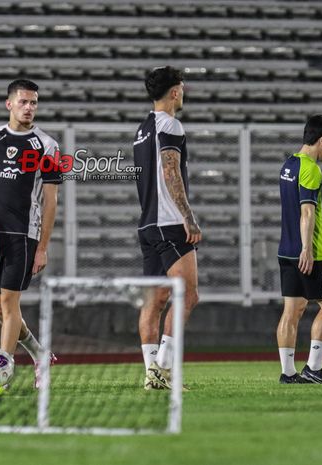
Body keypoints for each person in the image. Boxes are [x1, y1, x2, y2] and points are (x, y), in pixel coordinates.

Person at [0, 79, 60, 394]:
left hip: (25, 235)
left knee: (10, 304)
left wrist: (43, 248)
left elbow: (51, 200)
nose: (29, 108)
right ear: (9, 104)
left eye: (33, 102)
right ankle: (40, 355)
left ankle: (1, 376)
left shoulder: (47, 145)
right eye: (23, 102)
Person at [133, 66, 201, 390]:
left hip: (147, 222)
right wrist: (188, 216)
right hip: (170, 222)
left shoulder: (142, 129)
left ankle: (152, 374)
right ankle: (162, 368)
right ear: (175, 92)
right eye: (182, 89)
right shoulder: (169, 124)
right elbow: (170, 171)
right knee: (187, 295)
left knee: (155, 300)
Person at [276, 114, 322, 384]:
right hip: (311, 254)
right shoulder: (311, 168)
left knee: (293, 310)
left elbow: (295, 210)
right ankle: (313, 368)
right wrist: (309, 248)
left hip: (286, 250)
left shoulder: (288, 165)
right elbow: (306, 212)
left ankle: (288, 373)